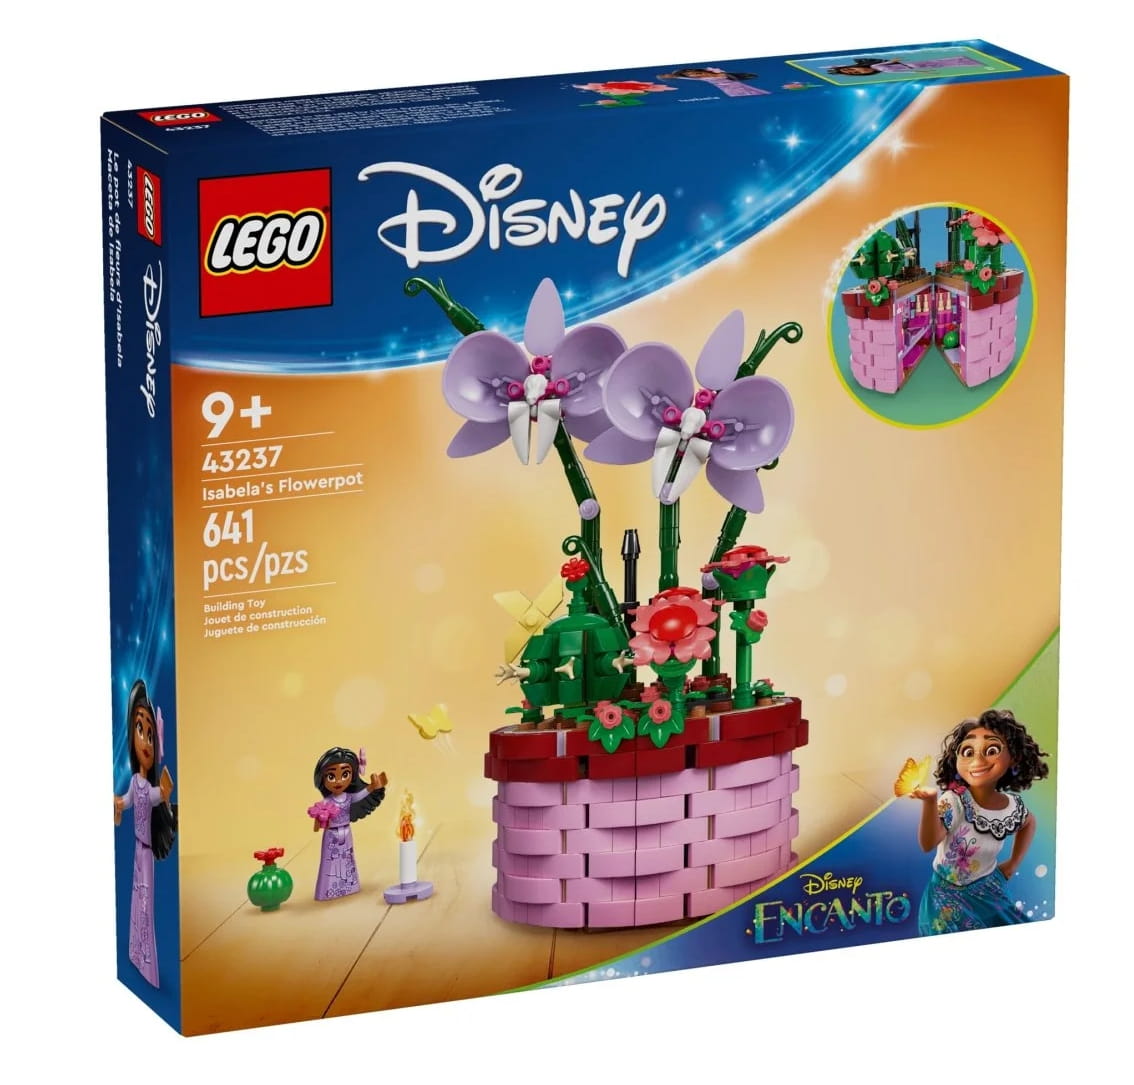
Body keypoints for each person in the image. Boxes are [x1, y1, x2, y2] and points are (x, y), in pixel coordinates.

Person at [909, 709, 1048, 934]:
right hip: (945, 898)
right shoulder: (954, 801)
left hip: (988, 891)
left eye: (991, 750)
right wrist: (930, 802)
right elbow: (928, 843)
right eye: (968, 751)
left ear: (1013, 756)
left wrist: (1013, 864)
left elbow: (1029, 822)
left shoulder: (1012, 806)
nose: (978, 760)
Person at [113, 679, 176, 987]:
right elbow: (126, 801)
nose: (146, 741)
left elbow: (157, 795)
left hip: (147, 853)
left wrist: (164, 792)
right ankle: (136, 953)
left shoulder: (148, 788)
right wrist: (117, 804)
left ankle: (148, 961)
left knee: (146, 901)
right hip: (138, 850)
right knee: (136, 899)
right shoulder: (135, 783)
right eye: (141, 730)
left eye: (150, 734)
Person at [310, 747, 387, 900]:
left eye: (345, 774)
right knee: (331, 861)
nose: (338, 781)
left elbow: (360, 795)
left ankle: (349, 885)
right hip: (331, 835)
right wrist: (319, 821)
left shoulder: (348, 797)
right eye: (331, 776)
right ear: (322, 778)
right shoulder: (327, 801)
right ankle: (328, 891)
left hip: (346, 832)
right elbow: (318, 815)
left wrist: (372, 787)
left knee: (347, 859)